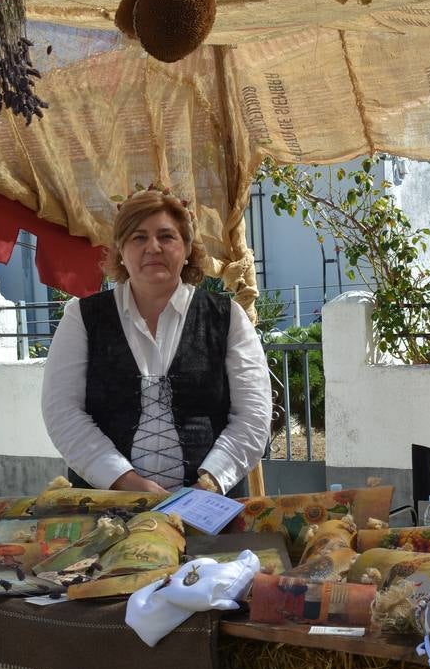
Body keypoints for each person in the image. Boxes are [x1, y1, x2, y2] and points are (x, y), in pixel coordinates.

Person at [41, 186, 271, 496]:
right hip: (110, 505)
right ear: (121, 250)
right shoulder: (81, 317)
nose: (153, 247)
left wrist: (208, 485)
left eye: (166, 236)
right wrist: (127, 482)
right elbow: (62, 413)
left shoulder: (226, 317)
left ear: (187, 247)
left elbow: (253, 416)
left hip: (212, 508)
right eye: (138, 237)